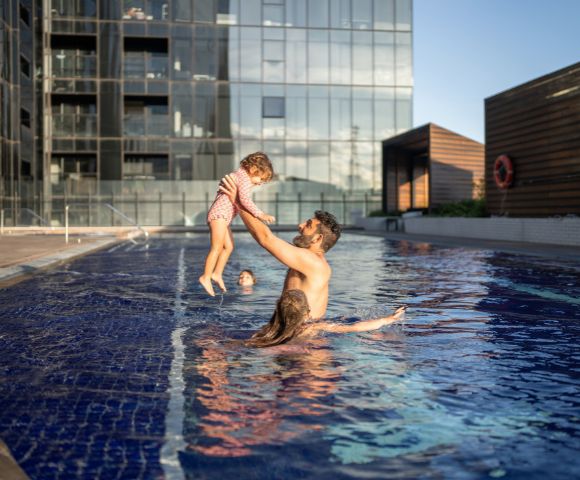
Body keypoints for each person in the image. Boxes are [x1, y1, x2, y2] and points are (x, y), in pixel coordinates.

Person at [218, 175, 341, 320]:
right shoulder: (309, 260)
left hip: (301, 339)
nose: (300, 225)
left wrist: (237, 201)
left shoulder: (313, 262)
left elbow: (265, 238)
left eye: (308, 225)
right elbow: (269, 239)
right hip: (297, 335)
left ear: (318, 238)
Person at [200, 152, 276, 296]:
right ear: (254, 169)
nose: (260, 183)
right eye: (261, 179)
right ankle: (205, 276)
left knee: (229, 247)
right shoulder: (244, 178)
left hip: (224, 217)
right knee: (216, 247)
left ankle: (217, 274)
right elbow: (244, 200)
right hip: (219, 215)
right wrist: (260, 214)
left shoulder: (240, 176)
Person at [246, 289, 407, 348]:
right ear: (307, 312)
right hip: (300, 352)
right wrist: (388, 319)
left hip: (274, 349)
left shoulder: (268, 330)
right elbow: (355, 327)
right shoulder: (312, 327)